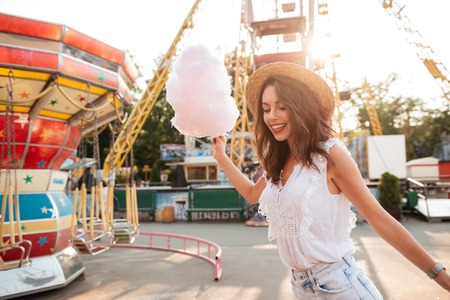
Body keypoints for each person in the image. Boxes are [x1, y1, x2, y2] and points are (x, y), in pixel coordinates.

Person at [212, 62, 450, 299]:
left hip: (341, 287)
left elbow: (380, 219)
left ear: (300, 107)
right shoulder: (278, 160)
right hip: (301, 288)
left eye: (282, 106)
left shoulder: (330, 154)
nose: (272, 116)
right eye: (266, 108)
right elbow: (252, 194)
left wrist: (439, 274)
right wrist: (221, 157)